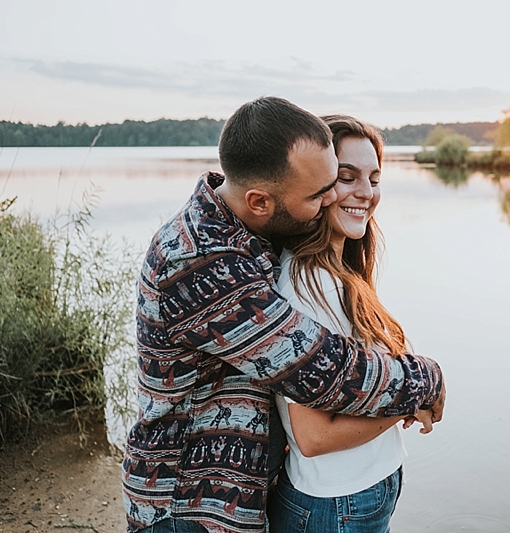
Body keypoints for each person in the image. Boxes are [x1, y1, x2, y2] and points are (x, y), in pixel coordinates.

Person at [122, 97, 445, 533]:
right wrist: (423, 381)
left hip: (236, 492)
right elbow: (320, 369)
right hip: (191, 505)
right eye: (320, 192)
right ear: (260, 201)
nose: (335, 196)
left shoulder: (251, 230)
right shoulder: (202, 264)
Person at [268, 115, 432, 533]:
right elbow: (313, 436)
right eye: (347, 177)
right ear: (317, 185)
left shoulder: (342, 269)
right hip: (334, 503)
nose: (366, 193)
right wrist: (408, 399)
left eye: (375, 178)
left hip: (363, 489)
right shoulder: (307, 284)